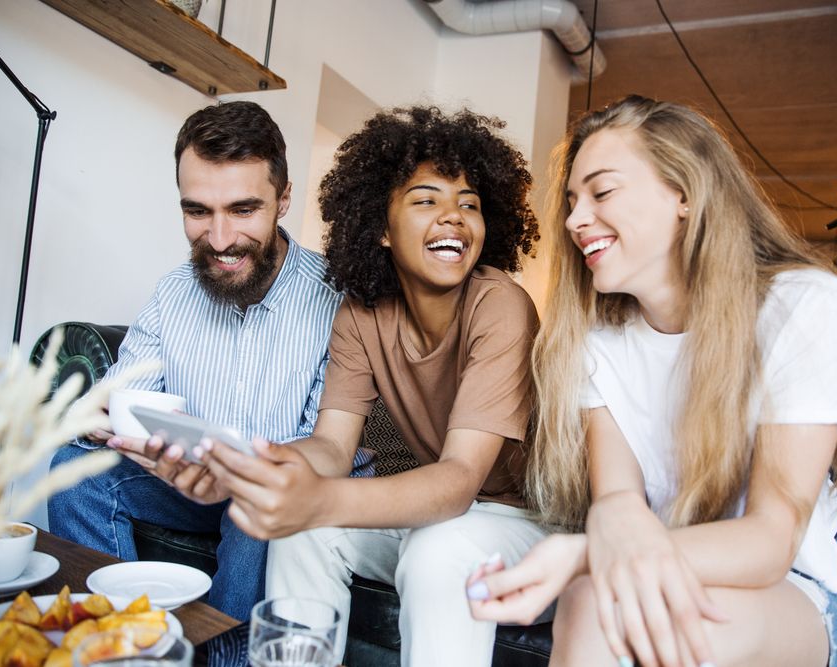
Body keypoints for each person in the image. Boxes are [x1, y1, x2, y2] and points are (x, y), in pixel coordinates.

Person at [465, 95, 837, 667]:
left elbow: (771, 541)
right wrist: (602, 544)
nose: (572, 220)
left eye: (602, 192)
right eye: (571, 201)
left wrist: (578, 558)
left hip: (800, 586)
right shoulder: (597, 343)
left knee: (616, 604)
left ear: (684, 195)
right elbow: (618, 504)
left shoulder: (800, 305)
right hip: (658, 559)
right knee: (591, 602)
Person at [141, 105, 547, 666]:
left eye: (469, 204)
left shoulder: (500, 305)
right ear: (379, 226)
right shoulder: (359, 313)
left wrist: (316, 496)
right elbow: (332, 447)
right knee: (302, 530)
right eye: (427, 199)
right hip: (449, 515)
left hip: (527, 522)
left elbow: (457, 482)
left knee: (437, 549)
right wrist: (250, 468)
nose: (453, 216)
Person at [48, 101, 371, 622]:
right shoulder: (174, 291)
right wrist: (102, 417)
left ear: (284, 198)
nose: (219, 240)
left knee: (257, 505)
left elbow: (326, 447)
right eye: (197, 211)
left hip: (280, 489)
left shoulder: (339, 298)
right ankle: (122, 644)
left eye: (243, 210)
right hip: (187, 486)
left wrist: (241, 472)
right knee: (72, 471)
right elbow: (118, 396)